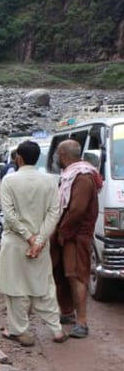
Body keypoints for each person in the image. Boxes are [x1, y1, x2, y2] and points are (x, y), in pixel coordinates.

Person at [0, 140, 67, 346]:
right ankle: (56, 330)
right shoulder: (50, 181)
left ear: (18, 157)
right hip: (41, 243)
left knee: (16, 287)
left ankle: (20, 331)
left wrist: (28, 237)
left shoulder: (9, 181)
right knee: (44, 285)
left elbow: (9, 215)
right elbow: (54, 213)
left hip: (15, 242)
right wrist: (39, 240)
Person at [50, 139, 102, 339]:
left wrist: (63, 232)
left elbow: (77, 210)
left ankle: (82, 322)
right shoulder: (72, 175)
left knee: (76, 276)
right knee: (62, 275)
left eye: (57, 155)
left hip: (75, 236)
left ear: (63, 155)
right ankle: (67, 312)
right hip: (68, 234)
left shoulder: (82, 177)